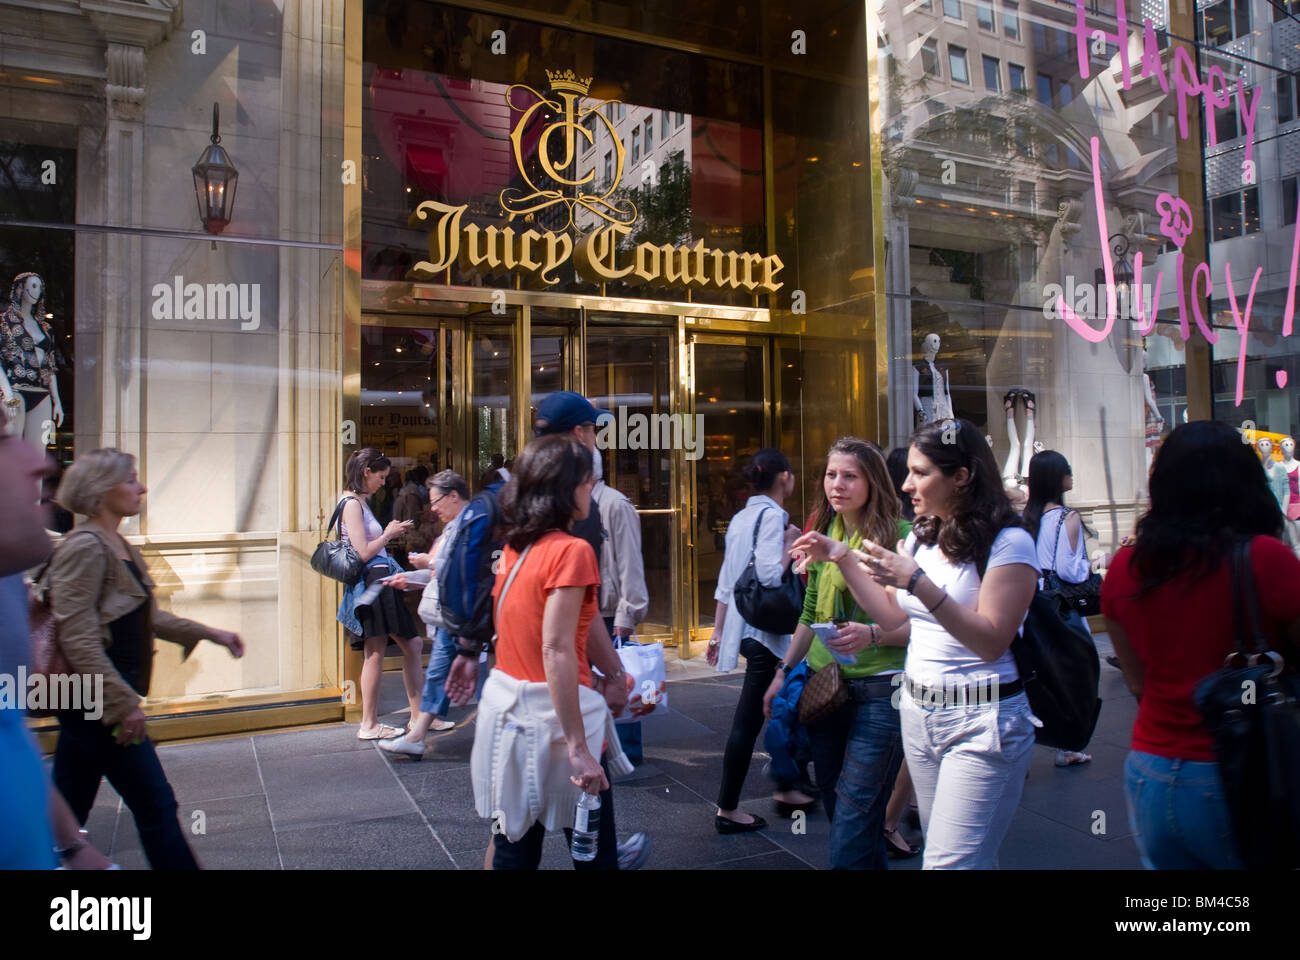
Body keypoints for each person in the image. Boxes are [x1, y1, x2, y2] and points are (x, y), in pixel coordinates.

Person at [794, 419, 1040, 869]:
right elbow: (891, 616)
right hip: (919, 714)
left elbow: (990, 641)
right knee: (961, 857)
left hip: (981, 720)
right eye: (908, 471)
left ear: (961, 477)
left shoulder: (1011, 543)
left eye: (921, 472)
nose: (906, 484)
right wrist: (843, 556)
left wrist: (917, 582)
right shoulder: (925, 537)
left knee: (947, 863)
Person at [1102, 420, 1300, 870]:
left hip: (1151, 769)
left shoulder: (1125, 567)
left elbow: (1137, 683)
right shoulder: (1267, 560)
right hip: (1244, 772)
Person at [48, 448, 245, 869]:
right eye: (131, 479)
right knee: (155, 803)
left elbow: (146, 615)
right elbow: (78, 636)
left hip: (93, 700)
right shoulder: (84, 546)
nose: (142, 487)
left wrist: (210, 633)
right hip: (95, 702)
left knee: (68, 805)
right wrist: (121, 704)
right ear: (102, 491)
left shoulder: (115, 543)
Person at [470, 434, 633, 869]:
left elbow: (579, 621)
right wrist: (579, 746)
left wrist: (614, 675)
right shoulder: (572, 551)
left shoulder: (515, 549)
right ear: (565, 489)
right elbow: (557, 647)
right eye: (586, 483)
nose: (591, 492)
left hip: (512, 719)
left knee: (515, 847)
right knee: (593, 849)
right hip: (560, 723)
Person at [761, 438, 913, 868]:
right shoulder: (829, 533)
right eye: (831, 474)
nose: (837, 484)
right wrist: (782, 671)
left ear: (873, 482)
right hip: (825, 687)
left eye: (850, 476)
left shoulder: (899, 538)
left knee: (853, 815)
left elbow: (921, 624)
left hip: (882, 690)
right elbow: (810, 612)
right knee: (837, 801)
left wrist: (874, 634)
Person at [705, 448, 813, 834]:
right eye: (792, 472)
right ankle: (732, 808)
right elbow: (768, 575)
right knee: (752, 719)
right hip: (765, 633)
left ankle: (787, 782)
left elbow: (725, 581)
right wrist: (791, 542)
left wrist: (718, 631)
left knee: (769, 710)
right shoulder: (772, 517)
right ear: (784, 477)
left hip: (745, 627)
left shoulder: (740, 518)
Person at [380, 470, 474, 757]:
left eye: (436, 501)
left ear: (454, 496)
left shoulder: (471, 525)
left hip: (459, 613)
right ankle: (419, 731)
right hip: (453, 612)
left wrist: (429, 562)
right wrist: (413, 578)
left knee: (439, 671)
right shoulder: (458, 524)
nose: (432, 508)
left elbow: (464, 570)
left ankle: (417, 734)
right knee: (440, 672)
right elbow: (443, 571)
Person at [335, 448, 424, 740]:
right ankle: (373, 723)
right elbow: (363, 552)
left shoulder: (356, 501)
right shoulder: (352, 503)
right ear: (366, 472)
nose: (384, 483)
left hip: (376, 580)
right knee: (387, 649)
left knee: (395, 648)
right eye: (381, 476)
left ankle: (414, 716)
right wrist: (388, 534)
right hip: (373, 580)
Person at [1024, 449, 1093, 766]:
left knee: (1036, 674)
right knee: (1073, 672)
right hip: (1061, 605)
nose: (1071, 473)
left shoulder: (1027, 517)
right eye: (1067, 469)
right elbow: (1069, 570)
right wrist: (1093, 567)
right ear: (1058, 477)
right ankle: (1070, 745)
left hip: (1031, 603)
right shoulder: (1068, 518)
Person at [591, 436, 650, 765]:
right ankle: (610, 745)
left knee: (623, 675)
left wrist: (629, 611)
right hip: (596, 605)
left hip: (612, 609)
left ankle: (627, 749)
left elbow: (630, 561)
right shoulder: (583, 503)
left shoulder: (614, 504)